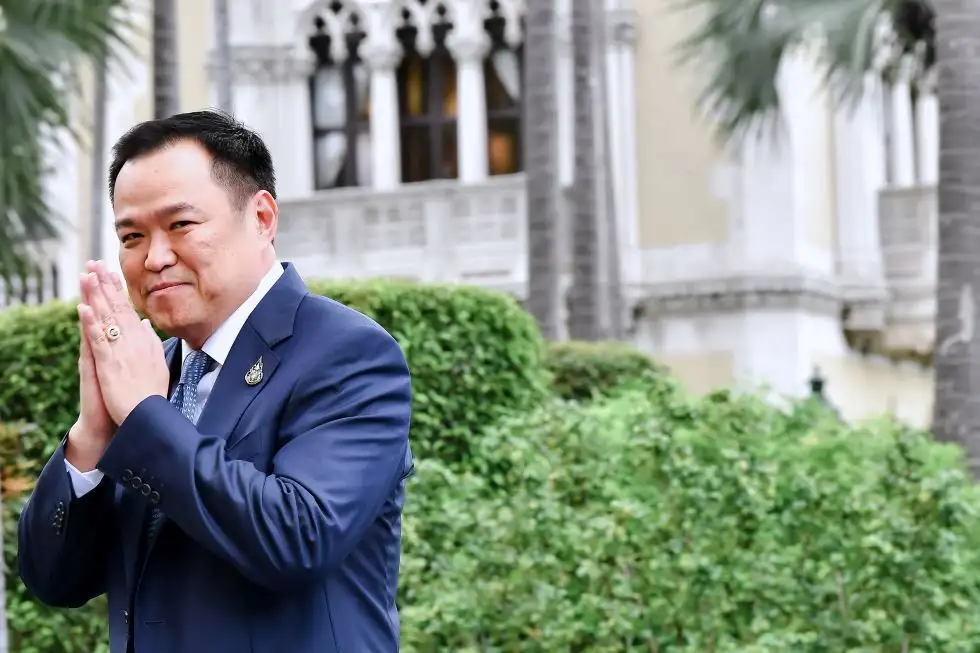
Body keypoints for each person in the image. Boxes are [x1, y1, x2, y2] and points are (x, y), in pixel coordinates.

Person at [18, 110, 414, 653]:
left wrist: (145, 418)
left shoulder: (348, 352)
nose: (155, 257)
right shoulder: (150, 374)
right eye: (132, 236)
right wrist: (91, 435)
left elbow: (297, 539)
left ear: (262, 217)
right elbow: (53, 580)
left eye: (181, 225)